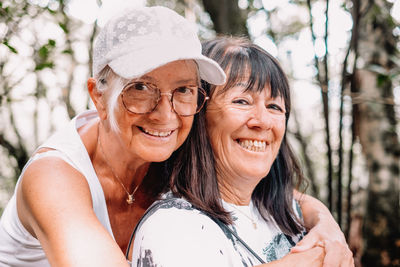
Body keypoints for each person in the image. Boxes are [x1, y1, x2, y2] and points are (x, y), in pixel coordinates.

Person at [0, 6, 347, 267]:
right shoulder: (53, 177)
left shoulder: (165, 151)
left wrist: (326, 224)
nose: (164, 114)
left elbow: (287, 193)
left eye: (182, 90)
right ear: (97, 95)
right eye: (140, 88)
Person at [130, 37, 354, 267]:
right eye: (242, 101)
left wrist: (325, 222)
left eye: (274, 106)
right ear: (197, 113)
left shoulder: (288, 213)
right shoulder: (173, 226)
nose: (263, 121)